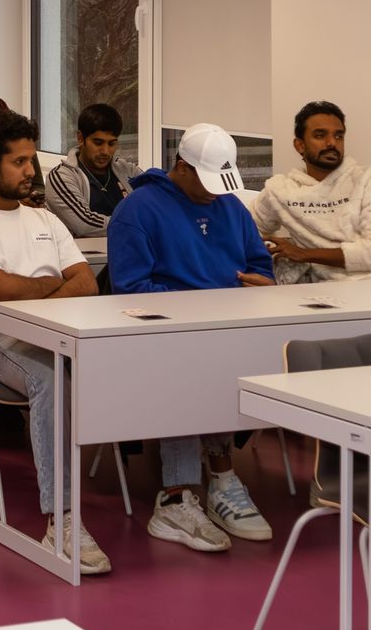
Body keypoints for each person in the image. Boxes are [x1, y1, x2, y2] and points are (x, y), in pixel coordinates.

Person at [0, 109, 109, 573]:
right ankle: (62, 517)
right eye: (18, 162)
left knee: (135, 361)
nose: (30, 171)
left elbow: (87, 284)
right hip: (2, 344)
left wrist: (35, 292)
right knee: (52, 380)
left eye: (31, 160)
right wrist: (53, 286)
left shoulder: (45, 219)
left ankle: (175, 493)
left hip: (65, 335)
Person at [108, 122, 275, 552]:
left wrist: (262, 286)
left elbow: (261, 268)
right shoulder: (137, 210)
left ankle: (220, 481)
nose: (215, 193)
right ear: (181, 166)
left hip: (227, 329)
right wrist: (204, 302)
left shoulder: (231, 207)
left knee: (235, 360)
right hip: (159, 335)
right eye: (207, 181)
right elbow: (128, 290)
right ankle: (185, 492)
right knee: (188, 366)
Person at [253, 101, 371, 284]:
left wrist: (304, 254)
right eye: (320, 135)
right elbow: (246, 232)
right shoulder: (279, 190)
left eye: (338, 136)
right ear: (300, 145)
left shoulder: (369, 178)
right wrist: (277, 256)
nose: (332, 143)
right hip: (324, 294)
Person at [45, 102, 140, 239]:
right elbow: (84, 225)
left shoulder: (128, 170)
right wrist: (137, 225)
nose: (105, 151)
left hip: (128, 248)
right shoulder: (61, 177)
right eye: (98, 143)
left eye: (111, 143)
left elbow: (155, 203)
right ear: (80, 138)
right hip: (84, 252)